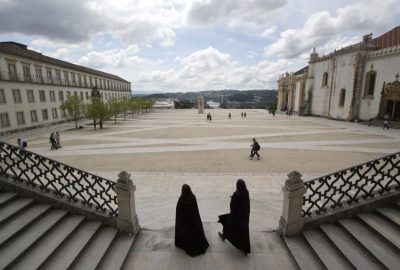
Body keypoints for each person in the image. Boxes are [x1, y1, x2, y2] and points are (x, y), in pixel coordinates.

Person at [218, 179, 250, 255]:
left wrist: (232, 198)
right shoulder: (246, 193)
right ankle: (245, 249)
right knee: (244, 233)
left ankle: (224, 236)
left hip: (236, 217)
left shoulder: (236, 194)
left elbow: (233, 207)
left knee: (226, 222)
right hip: (244, 218)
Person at [175, 184, 209, 257]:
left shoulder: (181, 200)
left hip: (185, 224)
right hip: (193, 222)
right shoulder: (193, 197)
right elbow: (195, 211)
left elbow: (179, 214)